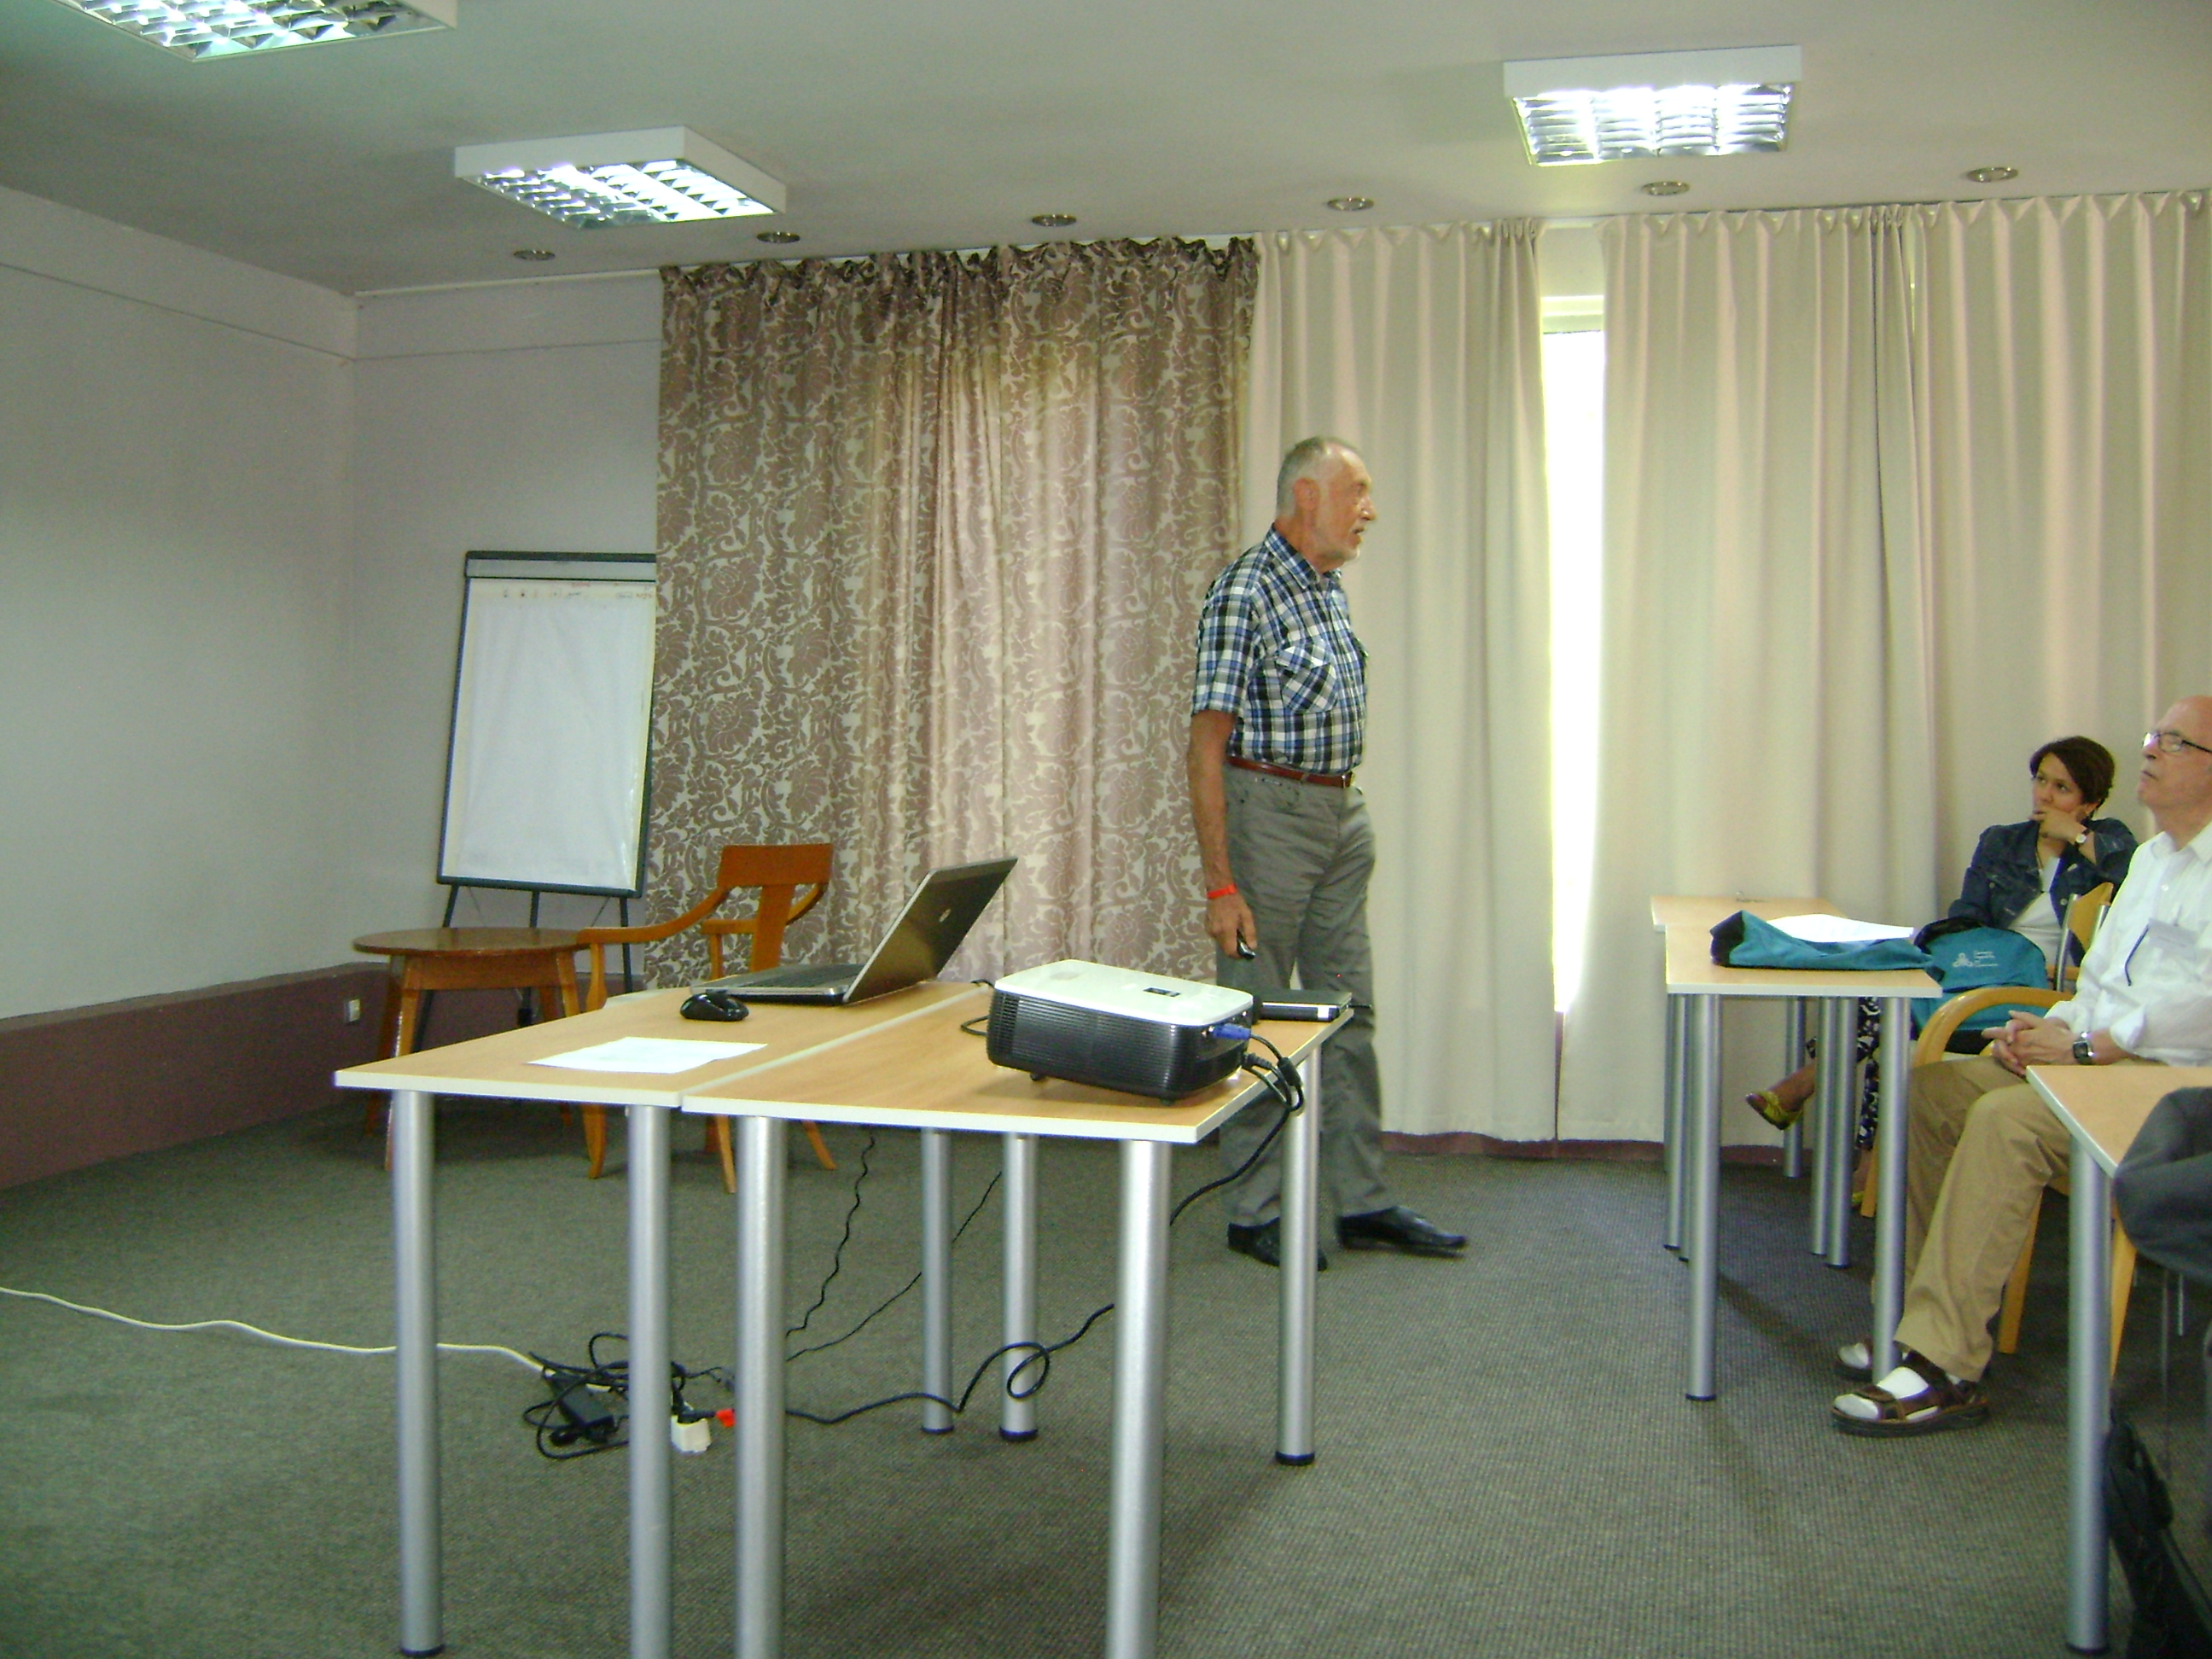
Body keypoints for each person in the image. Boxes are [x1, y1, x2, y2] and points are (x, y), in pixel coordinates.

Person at [1831, 698, 2212, 1435]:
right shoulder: (2152, 861)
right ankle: (1911, 1321)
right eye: (2153, 736)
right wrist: (2049, 1029)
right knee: (1935, 1090)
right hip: (2100, 1061)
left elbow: (2201, 1007)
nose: (2151, 750)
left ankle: (1945, 1366)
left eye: (2173, 741)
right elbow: (2099, 981)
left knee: (2007, 1121)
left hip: (2175, 1095)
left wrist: (2087, 1046)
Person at [1186, 435, 1464, 1268]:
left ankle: (1364, 1200)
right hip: (1268, 818)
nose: (1369, 510)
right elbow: (1205, 746)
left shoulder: (1325, 588)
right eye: (1358, 492)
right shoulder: (1245, 592)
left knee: (1349, 1012)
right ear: (1306, 496)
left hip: (1340, 816)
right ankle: (1254, 1211)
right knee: (1259, 1013)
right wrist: (1221, 885)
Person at [1744, 736, 2137, 1130]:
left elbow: (2135, 881)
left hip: (2040, 990)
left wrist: (2077, 836)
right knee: (1888, 1003)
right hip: (1984, 973)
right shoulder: (2003, 842)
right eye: (2041, 780)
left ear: (2089, 804)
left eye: (2062, 788)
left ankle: (1810, 1091)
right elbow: (1966, 918)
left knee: (1890, 1020)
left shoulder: (2109, 842)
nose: (2045, 795)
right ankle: (1862, 1153)